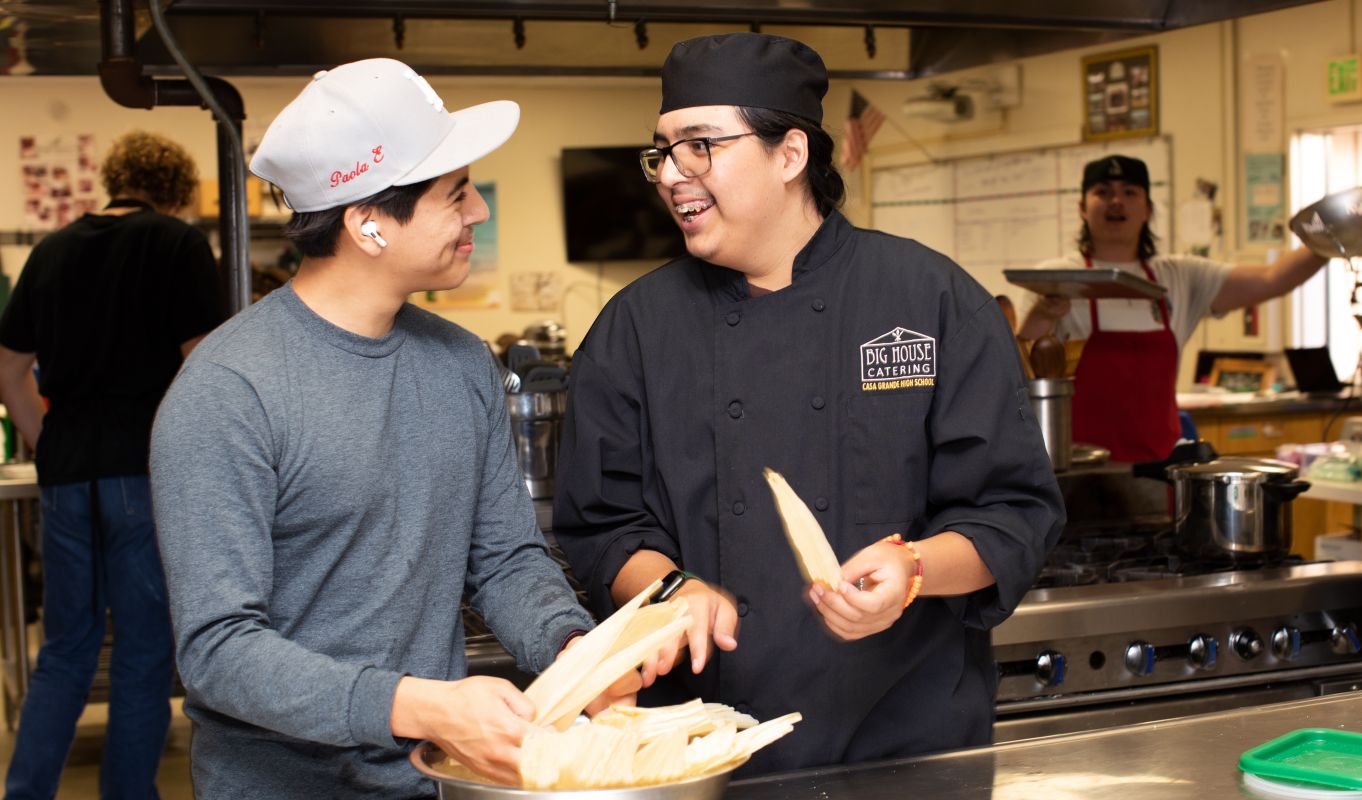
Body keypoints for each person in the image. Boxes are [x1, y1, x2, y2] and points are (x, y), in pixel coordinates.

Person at [552, 33, 1065, 777]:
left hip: (908, 744)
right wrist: (672, 588)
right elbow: (602, 525)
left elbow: (1015, 512)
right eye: (661, 151)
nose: (670, 175)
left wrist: (915, 569)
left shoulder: (930, 299)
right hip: (700, 755)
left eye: (699, 146)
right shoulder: (634, 329)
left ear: (790, 155)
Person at [147, 59, 636, 797]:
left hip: (423, 781)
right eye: (454, 194)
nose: (477, 212)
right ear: (367, 223)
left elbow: (503, 558)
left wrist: (573, 648)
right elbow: (219, 651)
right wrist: (422, 705)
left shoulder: (462, 363)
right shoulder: (228, 391)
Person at [0, 130, 223, 799]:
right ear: (176, 189)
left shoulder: (52, 249)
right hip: (144, 464)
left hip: (66, 469)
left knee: (65, 649)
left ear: (116, 180)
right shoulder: (178, 243)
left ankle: (25, 792)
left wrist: (46, 442)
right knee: (143, 651)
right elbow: (203, 367)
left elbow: (9, 373)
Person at [1016, 155, 1327, 463]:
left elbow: (1271, 279)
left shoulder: (1179, 276)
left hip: (1162, 469)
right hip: (1083, 468)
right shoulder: (1055, 278)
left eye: (1129, 192)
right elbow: (1019, 369)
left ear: (1148, 209)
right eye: (1103, 192)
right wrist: (1042, 315)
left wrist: (1333, 238)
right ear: (1082, 207)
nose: (1116, 201)